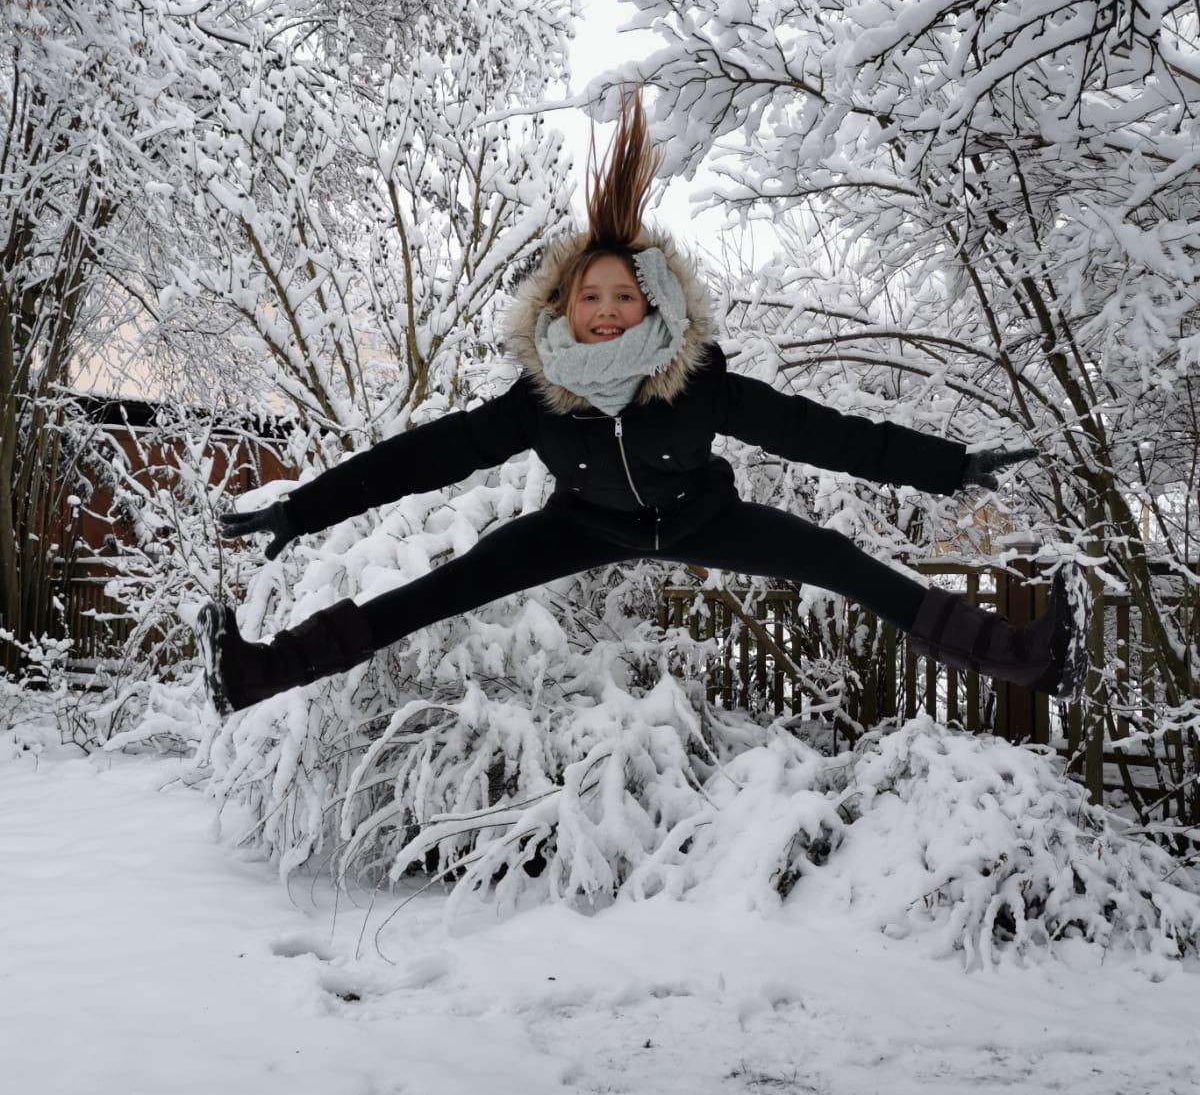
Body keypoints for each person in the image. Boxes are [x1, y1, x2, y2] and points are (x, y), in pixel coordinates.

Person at [196, 94, 1089, 718]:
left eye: (625, 297)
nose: (609, 310)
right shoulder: (540, 403)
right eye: (592, 298)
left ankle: (1026, 657)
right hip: (580, 526)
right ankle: (256, 676)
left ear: (651, 305)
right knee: (435, 591)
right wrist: (306, 508)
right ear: (566, 312)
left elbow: (819, 432)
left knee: (837, 557)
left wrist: (949, 468)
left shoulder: (694, 383)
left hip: (700, 518)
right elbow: (421, 457)